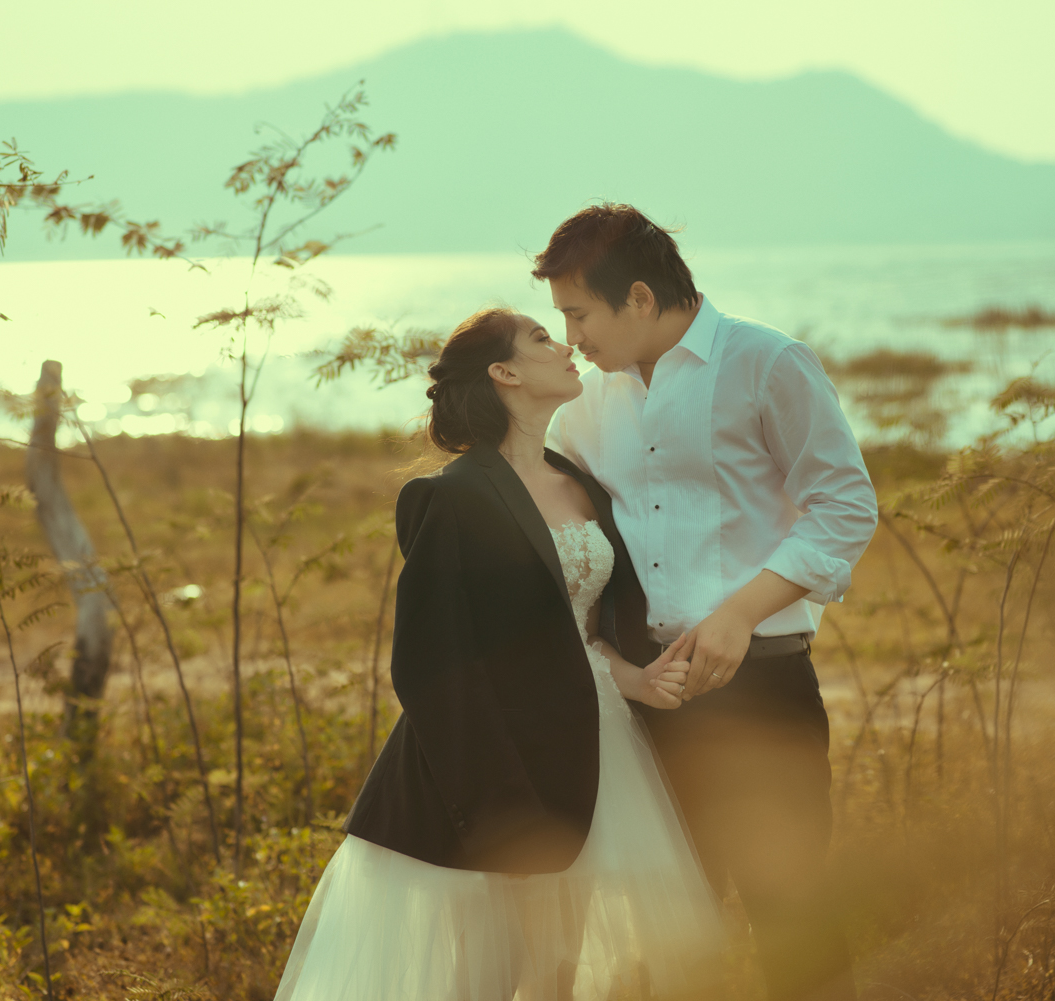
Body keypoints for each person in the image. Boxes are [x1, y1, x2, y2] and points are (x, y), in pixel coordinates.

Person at [272, 307, 727, 1000]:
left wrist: (636, 679)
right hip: (494, 766)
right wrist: (499, 810)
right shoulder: (449, 496)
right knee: (490, 976)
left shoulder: (581, 483)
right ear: (504, 373)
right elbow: (429, 668)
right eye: (542, 338)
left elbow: (576, 633)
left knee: (560, 969)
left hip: (594, 752)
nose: (566, 344)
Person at [540, 204, 879, 1001]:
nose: (570, 338)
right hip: (645, 699)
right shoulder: (583, 405)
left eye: (579, 314)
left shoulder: (768, 363)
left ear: (639, 299)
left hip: (762, 687)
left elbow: (844, 505)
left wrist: (738, 614)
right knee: (661, 933)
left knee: (791, 917)